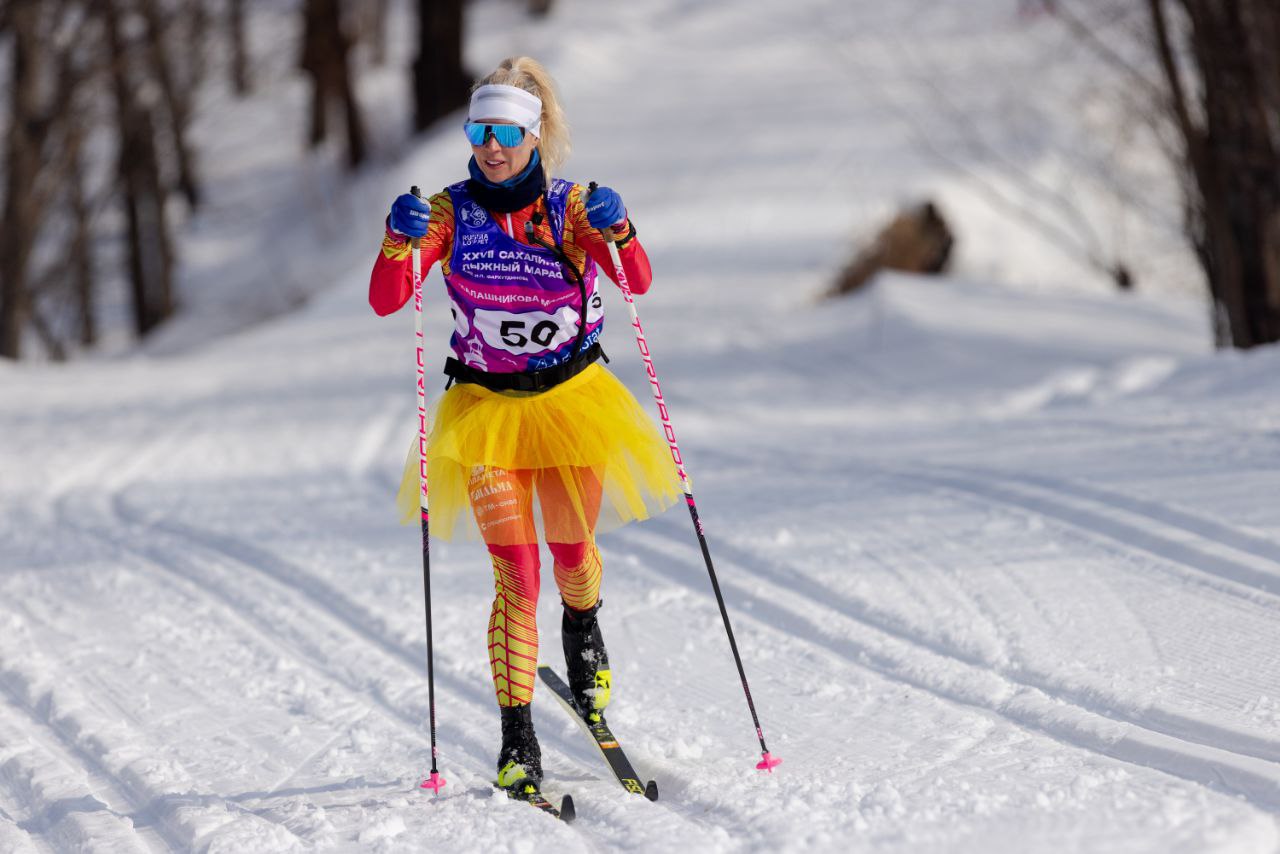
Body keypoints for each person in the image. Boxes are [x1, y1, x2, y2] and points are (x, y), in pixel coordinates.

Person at [368, 56, 681, 799]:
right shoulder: (448, 213)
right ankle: (518, 741)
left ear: (535, 135)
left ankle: (584, 627)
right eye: (479, 131)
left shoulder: (572, 208)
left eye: (506, 132)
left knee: (572, 555)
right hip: (484, 415)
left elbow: (634, 280)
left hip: (572, 402)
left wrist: (622, 227)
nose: (491, 147)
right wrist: (394, 239)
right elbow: (389, 300)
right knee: (516, 572)